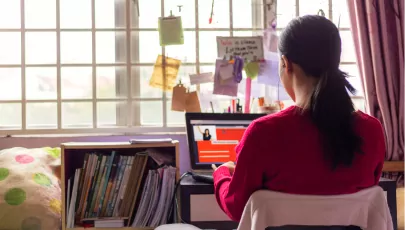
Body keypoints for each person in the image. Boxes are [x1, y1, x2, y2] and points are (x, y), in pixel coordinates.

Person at [212, 15, 386, 222]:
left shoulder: (264, 133)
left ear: (286, 64)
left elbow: (237, 207)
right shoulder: (371, 131)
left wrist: (221, 174)